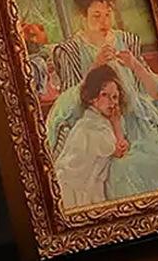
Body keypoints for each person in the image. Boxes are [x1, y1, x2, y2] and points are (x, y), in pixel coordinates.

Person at [47, 0, 158, 200]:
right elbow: (70, 106)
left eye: (107, 14)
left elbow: (157, 96)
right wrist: (95, 67)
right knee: (122, 173)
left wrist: (135, 66)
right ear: (82, 17)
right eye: (96, 16)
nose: (104, 22)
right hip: (99, 129)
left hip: (138, 124)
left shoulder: (127, 41)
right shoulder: (69, 51)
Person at [54, 65, 129, 208]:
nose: (111, 102)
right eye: (104, 95)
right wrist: (116, 123)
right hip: (73, 189)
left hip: (87, 186)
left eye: (115, 97)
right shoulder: (91, 127)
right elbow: (118, 151)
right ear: (92, 98)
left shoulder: (98, 121)